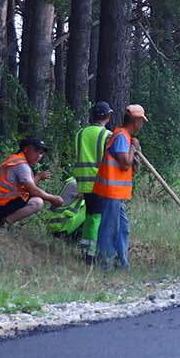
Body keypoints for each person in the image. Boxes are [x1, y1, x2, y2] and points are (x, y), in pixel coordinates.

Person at [95, 104, 148, 269]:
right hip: (111, 191)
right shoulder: (121, 137)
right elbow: (125, 164)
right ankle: (103, 264)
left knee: (123, 227)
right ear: (137, 121)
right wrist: (134, 148)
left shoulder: (125, 137)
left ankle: (122, 264)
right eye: (142, 122)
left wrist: (133, 147)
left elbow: (133, 167)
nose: (142, 125)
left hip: (117, 193)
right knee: (109, 228)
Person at [0, 136, 70, 226]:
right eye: (36, 151)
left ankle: (3, 223)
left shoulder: (17, 158)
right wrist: (53, 198)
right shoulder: (22, 165)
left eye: (41, 153)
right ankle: (3, 224)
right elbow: (33, 191)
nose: (39, 156)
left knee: (30, 197)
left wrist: (38, 177)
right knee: (37, 203)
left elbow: (26, 188)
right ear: (26, 149)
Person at [71, 102, 116, 261]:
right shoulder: (107, 135)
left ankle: (86, 250)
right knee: (97, 218)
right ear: (108, 116)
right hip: (99, 183)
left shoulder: (80, 134)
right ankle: (91, 255)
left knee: (91, 216)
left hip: (83, 183)